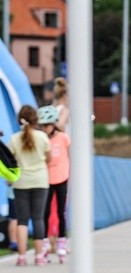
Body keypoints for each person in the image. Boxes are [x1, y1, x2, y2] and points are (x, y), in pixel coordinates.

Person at [9, 105, 51, 266]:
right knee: (38, 218)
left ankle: (21, 257)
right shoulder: (42, 137)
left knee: (22, 220)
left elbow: (10, 161)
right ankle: (39, 256)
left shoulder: (14, 139)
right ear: (35, 120)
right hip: (40, 180)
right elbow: (49, 159)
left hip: (21, 182)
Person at [38, 106, 70, 263]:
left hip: (62, 177)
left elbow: (70, 153)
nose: (44, 128)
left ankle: (62, 241)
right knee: (44, 212)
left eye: (47, 125)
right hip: (46, 179)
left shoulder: (63, 138)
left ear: (53, 124)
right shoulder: (41, 139)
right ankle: (45, 243)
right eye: (42, 125)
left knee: (60, 211)